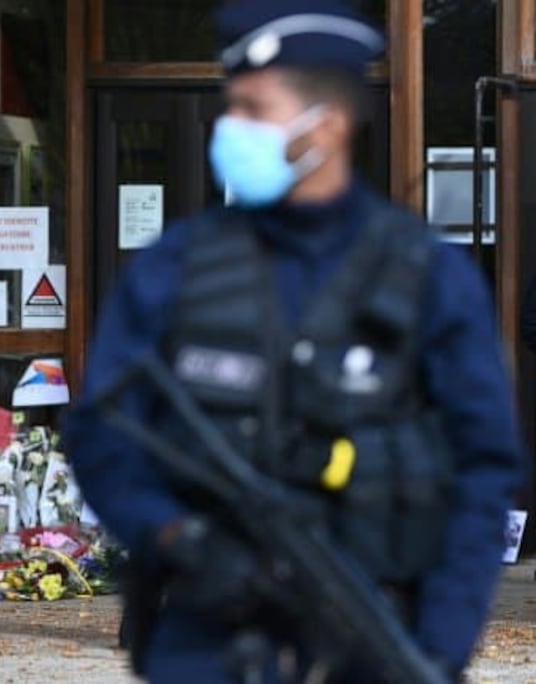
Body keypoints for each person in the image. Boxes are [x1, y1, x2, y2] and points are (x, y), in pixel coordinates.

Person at [65, 1, 524, 681]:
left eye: (255, 109)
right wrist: (173, 533)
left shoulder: (428, 277)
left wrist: (441, 644)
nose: (233, 128)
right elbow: (102, 433)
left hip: (377, 638)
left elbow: (482, 470)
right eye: (234, 107)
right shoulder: (178, 267)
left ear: (327, 124)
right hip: (209, 641)